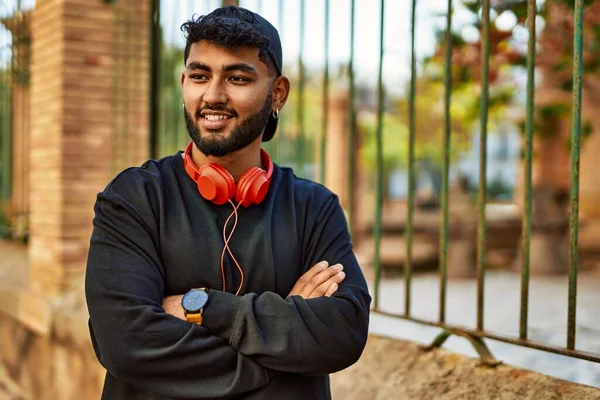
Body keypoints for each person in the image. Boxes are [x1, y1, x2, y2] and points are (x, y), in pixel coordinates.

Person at [85, 5, 371, 400]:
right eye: (200, 76)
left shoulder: (314, 208)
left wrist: (201, 307)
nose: (213, 95)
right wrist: (282, 335)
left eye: (237, 77)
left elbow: (343, 333)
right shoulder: (133, 198)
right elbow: (125, 342)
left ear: (278, 93)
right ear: (184, 81)